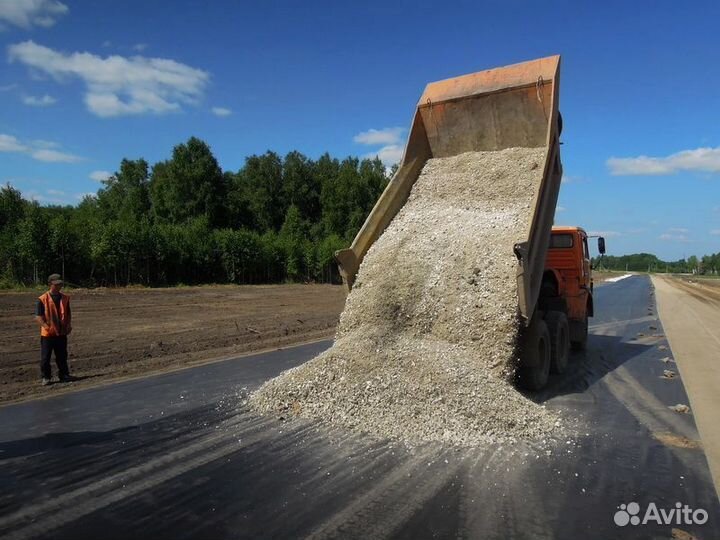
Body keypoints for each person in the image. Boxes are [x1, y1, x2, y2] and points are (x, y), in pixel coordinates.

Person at [34, 274, 74, 385]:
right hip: (48, 334)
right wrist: (46, 327)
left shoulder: (65, 298)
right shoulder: (42, 299)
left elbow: (68, 313)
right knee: (45, 357)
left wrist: (68, 325)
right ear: (50, 284)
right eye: (56, 284)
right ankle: (46, 377)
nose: (59, 286)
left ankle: (64, 374)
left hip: (61, 332)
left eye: (60, 284)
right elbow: (38, 317)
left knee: (62, 356)